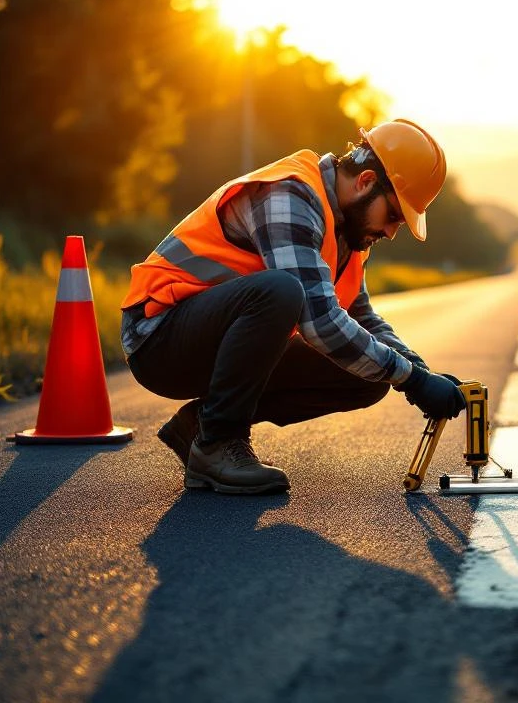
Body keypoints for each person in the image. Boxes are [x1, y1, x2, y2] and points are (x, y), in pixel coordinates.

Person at [120, 119, 467, 495]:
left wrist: (418, 370)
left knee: (367, 379)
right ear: (366, 182)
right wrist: (412, 381)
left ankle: (202, 426)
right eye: (395, 215)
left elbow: (361, 318)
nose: (391, 232)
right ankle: (219, 442)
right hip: (159, 338)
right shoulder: (291, 194)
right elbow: (320, 322)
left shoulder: (348, 233)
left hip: (214, 341)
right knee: (281, 291)